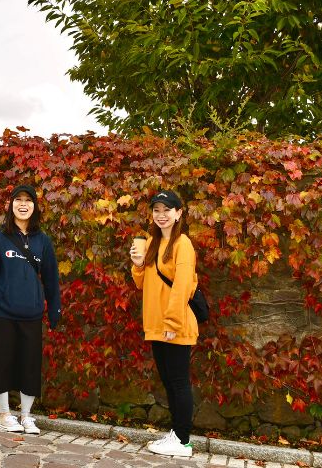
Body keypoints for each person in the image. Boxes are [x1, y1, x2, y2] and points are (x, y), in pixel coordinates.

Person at [0, 184, 61, 435]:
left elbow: (52, 280)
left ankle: (26, 416)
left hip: (32, 315)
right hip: (3, 314)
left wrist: (54, 312)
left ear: (35, 206)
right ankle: (4, 415)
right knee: (3, 364)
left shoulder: (43, 241)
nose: (23, 204)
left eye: (28, 200)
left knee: (30, 367)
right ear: (11, 205)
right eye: (18, 200)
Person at [130, 189, 198, 457]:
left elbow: (182, 286)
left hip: (175, 324)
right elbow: (143, 284)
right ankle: (176, 434)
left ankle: (183, 441)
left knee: (179, 382)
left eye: (167, 210)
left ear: (178, 213)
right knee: (169, 383)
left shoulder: (183, 244)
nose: (161, 215)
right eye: (156, 210)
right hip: (157, 324)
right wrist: (137, 264)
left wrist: (172, 322)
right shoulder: (152, 242)